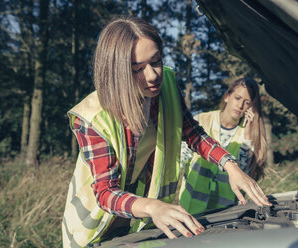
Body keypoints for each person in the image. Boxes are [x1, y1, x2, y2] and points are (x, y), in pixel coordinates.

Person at [62, 16, 270, 248]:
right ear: (116, 72)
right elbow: (105, 193)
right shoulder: (92, 117)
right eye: (137, 68)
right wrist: (153, 207)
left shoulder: (167, 84)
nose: (153, 75)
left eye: (156, 61)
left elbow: (191, 132)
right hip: (95, 226)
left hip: (147, 220)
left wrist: (231, 166)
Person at [179, 78, 268, 214]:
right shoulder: (201, 120)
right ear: (227, 96)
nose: (240, 105)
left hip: (225, 213)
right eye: (237, 98)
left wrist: (248, 137)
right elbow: (180, 159)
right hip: (191, 209)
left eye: (247, 102)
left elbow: (244, 174)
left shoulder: (247, 134)